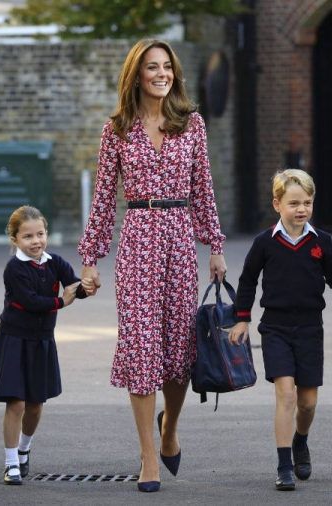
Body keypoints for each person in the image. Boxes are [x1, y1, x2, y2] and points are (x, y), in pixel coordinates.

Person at [77, 39, 227, 493]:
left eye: (167, 67)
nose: (161, 74)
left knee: (179, 352)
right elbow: (103, 199)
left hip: (180, 237)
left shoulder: (192, 124)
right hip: (138, 238)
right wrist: (90, 259)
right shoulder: (117, 129)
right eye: (151, 68)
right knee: (142, 348)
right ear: (136, 76)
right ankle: (147, 456)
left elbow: (204, 189)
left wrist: (214, 245)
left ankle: (169, 430)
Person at [229, 169, 332, 491]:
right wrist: (242, 317)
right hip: (275, 328)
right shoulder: (264, 243)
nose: (301, 209)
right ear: (277, 204)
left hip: (310, 329)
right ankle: (284, 464)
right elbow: (247, 281)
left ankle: (301, 440)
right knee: (285, 394)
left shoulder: (321, 241)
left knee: (308, 403)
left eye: (307, 203)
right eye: (293, 203)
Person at [0, 205, 88, 485]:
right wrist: (61, 301)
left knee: (35, 404)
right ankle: (10, 464)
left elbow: (74, 284)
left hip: (42, 341)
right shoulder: (14, 269)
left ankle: (24, 449)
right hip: (14, 339)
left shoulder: (55, 262)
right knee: (16, 403)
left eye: (40, 234)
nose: (36, 241)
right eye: (28, 236)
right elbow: (31, 302)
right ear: (15, 240)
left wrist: (86, 287)